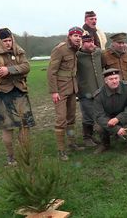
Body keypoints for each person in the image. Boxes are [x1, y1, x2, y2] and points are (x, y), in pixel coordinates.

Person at [0, 28, 35, 166]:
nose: (8, 43)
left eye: (9, 40)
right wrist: (16, 69)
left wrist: (9, 69)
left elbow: (27, 67)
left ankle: (24, 154)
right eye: (5, 41)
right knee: (8, 128)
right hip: (4, 93)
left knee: (25, 126)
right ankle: (11, 157)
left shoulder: (19, 51)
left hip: (20, 91)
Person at [47, 26, 84, 161]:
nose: (78, 38)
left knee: (71, 118)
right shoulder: (60, 49)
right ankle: (61, 150)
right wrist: (54, 91)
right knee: (61, 119)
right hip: (60, 90)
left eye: (79, 36)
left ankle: (72, 143)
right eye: (75, 36)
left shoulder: (76, 50)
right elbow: (51, 71)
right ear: (69, 36)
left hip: (72, 89)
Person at [93, 68, 127, 154]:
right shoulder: (99, 95)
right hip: (108, 118)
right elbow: (99, 116)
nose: (114, 81)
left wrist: (118, 119)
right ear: (106, 81)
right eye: (111, 79)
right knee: (98, 127)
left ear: (119, 78)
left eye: (116, 78)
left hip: (124, 115)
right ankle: (105, 144)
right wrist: (116, 129)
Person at [76, 35, 104, 147]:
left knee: (100, 114)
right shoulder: (77, 55)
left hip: (100, 89)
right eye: (87, 42)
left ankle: (96, 136)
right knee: (88, 115)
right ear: (82, 43)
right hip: (85, 91)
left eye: (92, 41)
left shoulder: (98, 53)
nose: (91, 44)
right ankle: (87, 137)